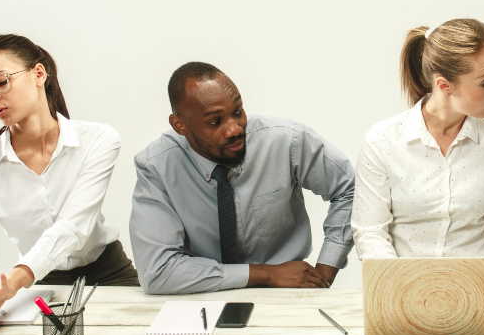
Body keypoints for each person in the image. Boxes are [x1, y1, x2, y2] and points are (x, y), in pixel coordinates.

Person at [0, 34, 138, 333]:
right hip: (42, 284)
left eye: (1, 81)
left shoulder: (98, 140)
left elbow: (73, 227)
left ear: (38, 74)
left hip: (109, 272)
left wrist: (14, 283)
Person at [129, 62, 356, 294]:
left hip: (286, 292)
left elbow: (349, 189)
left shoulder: (286, 140)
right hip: (198, 294)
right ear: (180, 126)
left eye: (238, 112)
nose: (235, 129)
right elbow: (157, 271)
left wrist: (325, 272)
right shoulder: (157, 167)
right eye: (215, 122)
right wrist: (267, 274)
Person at [351, 19, 484, 272]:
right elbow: (371, 233)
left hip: (478, 291)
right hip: (401, 292)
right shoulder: (383, 140)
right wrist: (398, 289)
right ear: (444, 85)